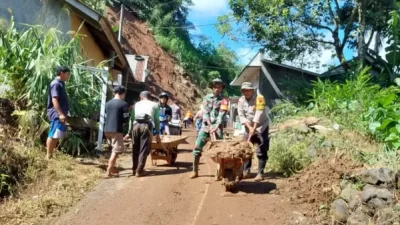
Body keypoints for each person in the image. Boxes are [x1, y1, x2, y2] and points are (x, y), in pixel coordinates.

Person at [190, 78, 229, 179]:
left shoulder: (224, 100)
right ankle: (194, 171)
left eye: (219, 87)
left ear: (222, 88)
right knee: (197, 147)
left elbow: (222, 114)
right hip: (206, 126)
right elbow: (205, 111)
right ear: (212, 88)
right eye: (215, 87)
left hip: (218, 127)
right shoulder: (206, 98)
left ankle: (219, 173)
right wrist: (208, 123)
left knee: (219, 149)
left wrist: (216, 126)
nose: (217, 89)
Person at [237, 82, 269, 181]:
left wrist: (254, 128)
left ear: (252, 90)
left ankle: (260, 173)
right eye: (243, 90)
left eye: (247, 90)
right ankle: (246, 171)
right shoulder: (241, 100)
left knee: (261, 149)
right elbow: (241, 115)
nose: (245, 92)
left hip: (261, 127)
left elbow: (259, 113)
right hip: (248, 127)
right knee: (246, 149)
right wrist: (249, 128)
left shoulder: (259, 98)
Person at [125, 91, 161, 177]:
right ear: (149, 97)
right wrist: (157, 134)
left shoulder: (136, 104)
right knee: (143, 149)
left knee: (135, 148)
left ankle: (134, 169)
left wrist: (129, 132)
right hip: (146, 127)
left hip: (135, 126)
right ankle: (139, 170)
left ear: (141, 97)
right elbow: (156, 120)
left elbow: (131, 118)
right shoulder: (155, 105)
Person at [103, 86, 130, 178]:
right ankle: (108, 172)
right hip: (117, 130)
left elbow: (106, 115)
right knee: (116, 151)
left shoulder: (107, 103)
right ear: (123, 94)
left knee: (113, 150)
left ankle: (113, 170)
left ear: (114, 93)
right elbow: (126, 118)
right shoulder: (124, 104)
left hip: (106, 130)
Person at [46, 66, 70, 160]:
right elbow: (54, 100)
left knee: (56, 135)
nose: (69, 76)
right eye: (68, 74)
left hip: (60, 114)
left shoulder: (61, 83)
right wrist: (60, 114)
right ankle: (48, 156)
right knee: (52, 134)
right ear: (61, 73)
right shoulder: (56, 84)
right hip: (56, 114)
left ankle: (50, 155)